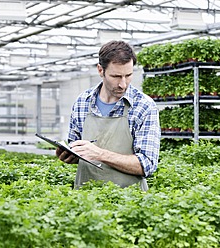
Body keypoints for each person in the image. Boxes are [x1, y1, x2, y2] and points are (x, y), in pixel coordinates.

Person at [56, 40, 161, 190]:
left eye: (128, 75)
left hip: (130, 203)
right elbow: (78, 150)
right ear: (100, 70)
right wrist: (70, 156)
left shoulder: (143, 106)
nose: (123, 84)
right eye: (116, 76)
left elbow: (147, 165)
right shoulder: (82, 102)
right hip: (85, 198)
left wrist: (99, 154)